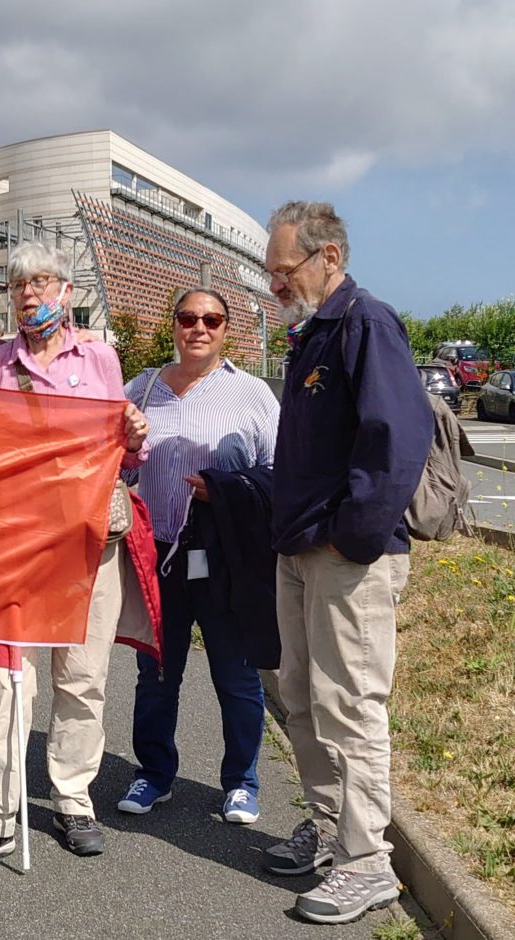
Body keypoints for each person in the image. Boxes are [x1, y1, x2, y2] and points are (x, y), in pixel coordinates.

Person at [0, 241, 157, 876]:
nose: (30, 296)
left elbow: (119, 455)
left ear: (66, 291)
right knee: (5, 678)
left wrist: (134, 438)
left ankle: (72, 798)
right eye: (18, 286)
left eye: (41, 282)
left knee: (83, 677)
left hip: (92, 541)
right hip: (17, 544)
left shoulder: (99, 358)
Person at [263, 201, 432, 924]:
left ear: (328, 256)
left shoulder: (365, 324)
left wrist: (351, 537)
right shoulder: (313, 334)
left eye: (283, 271)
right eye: (269, 274)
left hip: (343, 558)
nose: (275, 286)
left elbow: (397, 438)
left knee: (350, 706)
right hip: (303, 552)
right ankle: (332, 828)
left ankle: (369, 864)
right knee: (302, 698)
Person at [118, 289, 278, 824]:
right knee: (157, 673)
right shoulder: (141, 389)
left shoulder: (251, 393)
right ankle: (154, 774)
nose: (199, 328)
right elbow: (115, 462)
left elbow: (280, 472)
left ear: (226, 329)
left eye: (211, 319)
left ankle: (241, 781)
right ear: (174, 326)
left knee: (236, 674)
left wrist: (228, 490)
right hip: (159, 553)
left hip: (226, 555)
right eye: (188, 318)